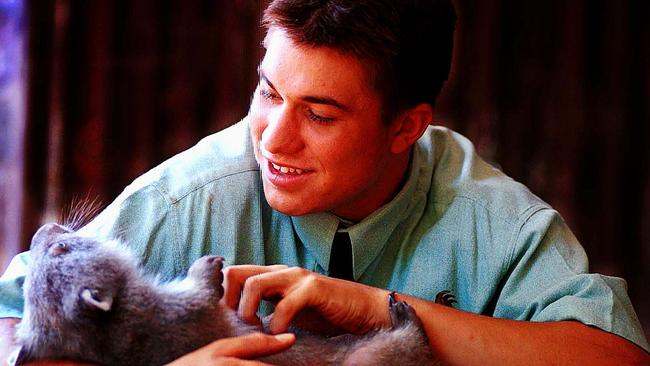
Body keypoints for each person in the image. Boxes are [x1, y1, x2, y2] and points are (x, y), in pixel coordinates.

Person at [1, 0, 649, 365]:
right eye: (268, 91)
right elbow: (13, 329)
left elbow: (616, 359)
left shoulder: (497, 221)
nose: (273, 139)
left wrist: (376, 308)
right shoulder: (185, 199)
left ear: (407, 127)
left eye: (319, 113)